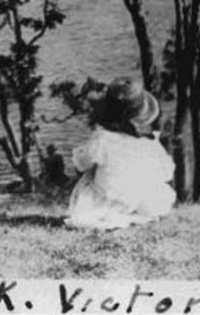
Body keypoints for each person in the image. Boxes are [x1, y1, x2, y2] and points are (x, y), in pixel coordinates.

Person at [66, 77, 176, 230]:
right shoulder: (150, 142)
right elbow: (167, 172)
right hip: (143, 201)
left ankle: (114, 210)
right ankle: (135, 211)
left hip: (108, 200)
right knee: (142, 174)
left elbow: (81, 165)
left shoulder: (102, 139)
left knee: (89, 170)